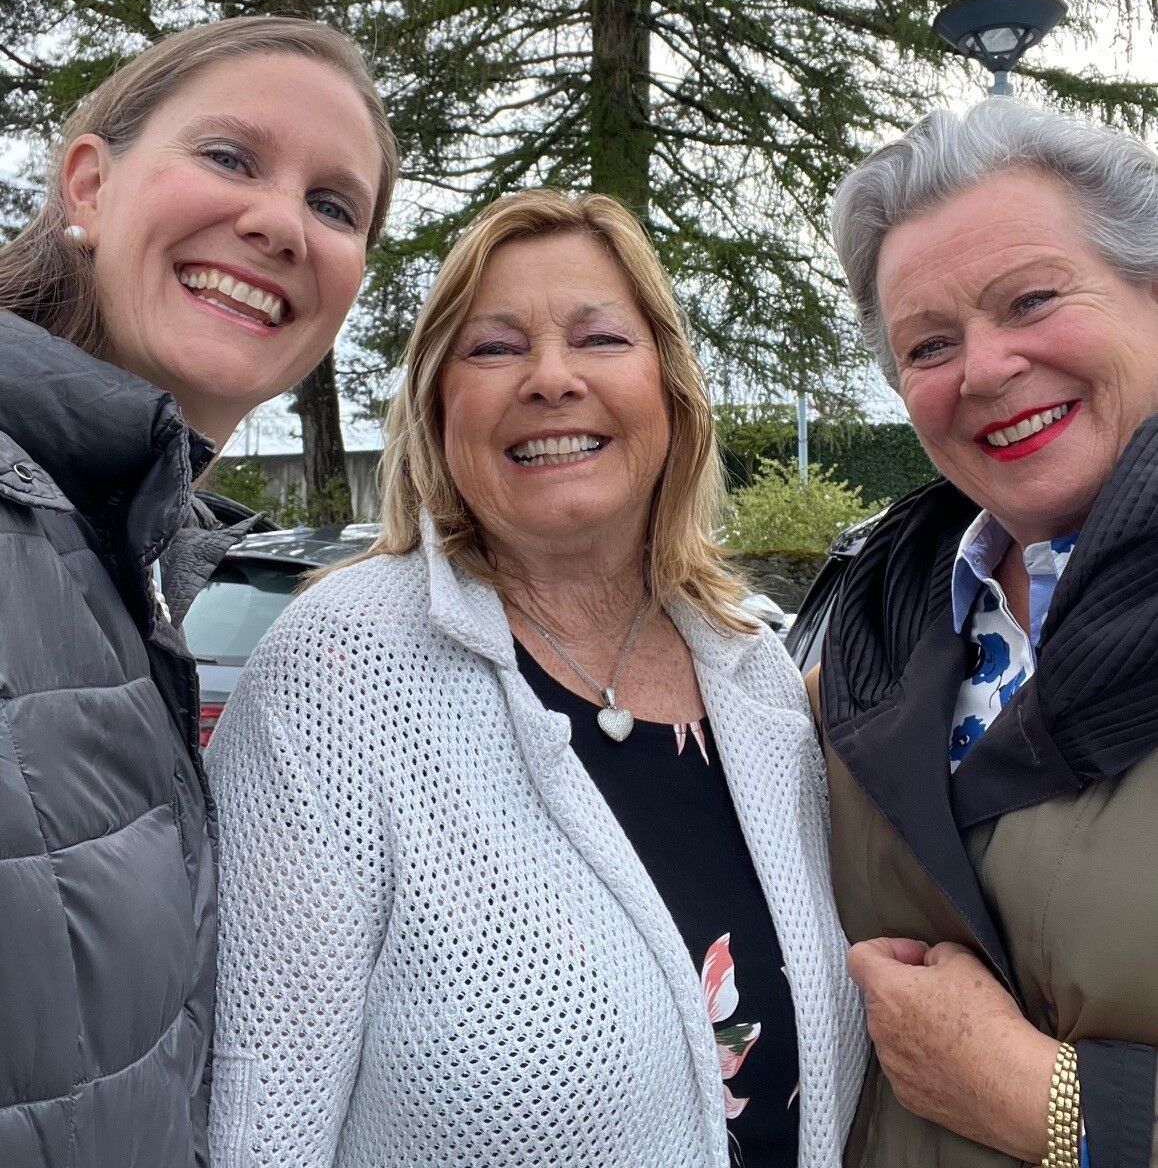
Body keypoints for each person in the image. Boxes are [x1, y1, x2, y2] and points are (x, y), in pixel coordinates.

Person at [206, 189, 866, 1168]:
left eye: (600, 338)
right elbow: (257, 1123)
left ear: (670, 388)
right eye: (494, 347)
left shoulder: (750, 669)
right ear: (438, 404)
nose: (552, 378)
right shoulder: (341, 667)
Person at [0, 15, 397, 1168]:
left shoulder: (120, 562)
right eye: (229, 156)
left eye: (334, 205)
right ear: (88, 183)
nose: (280, 221)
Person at [818, 98, 1158, 1168]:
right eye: (930, 344)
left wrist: (1055, 1106)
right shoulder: (875, 625)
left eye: (1032, 299)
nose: (984, 368)